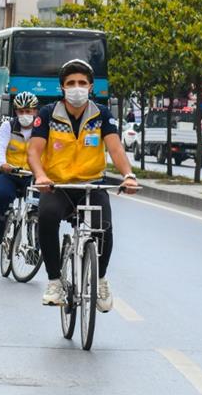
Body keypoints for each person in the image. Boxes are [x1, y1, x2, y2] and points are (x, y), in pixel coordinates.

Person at [28, 59, 138, 313]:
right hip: (57, 186)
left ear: (91, 87)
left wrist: (129, 175)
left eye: (81, 83)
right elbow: (34, 151)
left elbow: (115, 148)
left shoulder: (102, 115)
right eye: (71, 83)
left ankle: (100, 280)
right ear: (62, 87)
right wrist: (41, 176)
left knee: (105, 227)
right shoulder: (47, 114)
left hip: (92, 186)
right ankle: (54, 281)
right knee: (47, 216)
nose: (76, 88)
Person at [0, 92, 40, 244]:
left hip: (33, 175)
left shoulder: (42, 129)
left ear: (35, 111)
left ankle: (37, 234)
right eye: (20, 111)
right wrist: (2, 164)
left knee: (39, 204)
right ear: (16, 112)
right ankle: (0, 220)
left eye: (28, 111)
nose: (24, 115)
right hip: (10, 173)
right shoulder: (8, 126)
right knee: (2, 195)